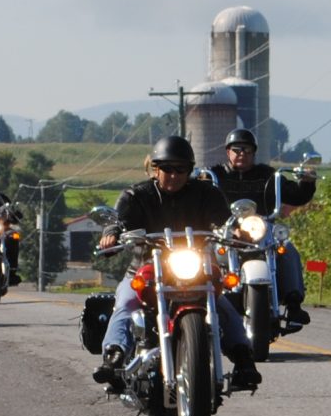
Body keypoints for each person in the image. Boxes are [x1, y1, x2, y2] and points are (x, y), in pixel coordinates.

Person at [92, 135, 259, 390]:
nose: (174, 175)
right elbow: (120, 221)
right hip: (146, 267)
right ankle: (113, 356)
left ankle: (244, 360)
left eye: (181, 169)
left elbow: (225, 220)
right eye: (167, 168)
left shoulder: (206, 193)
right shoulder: (136, 195)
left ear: (189, 170)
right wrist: (111, 233)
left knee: (220, 303)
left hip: (195, 267)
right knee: (126, 301)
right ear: (155, 169)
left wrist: (237, 230)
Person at [208, 126, 318, 326]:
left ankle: (293, 304)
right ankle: (199, 303)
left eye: (247, 149)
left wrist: (307, 182)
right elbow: (198, 194)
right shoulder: (215, 175)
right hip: (225, 232)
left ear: (254, 152)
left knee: (287, 249)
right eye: (237, 149)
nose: (242, 153)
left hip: (261, 231)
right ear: (228, 152)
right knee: (199, 253)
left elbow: (296, 195)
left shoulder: (268, 176)